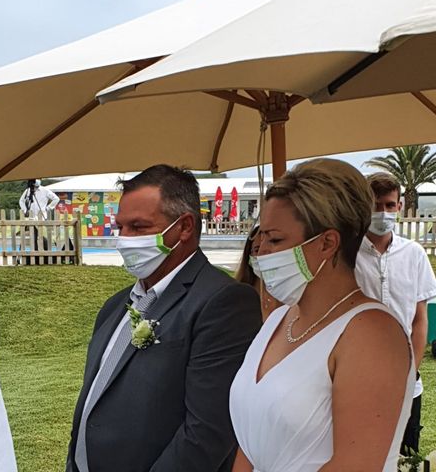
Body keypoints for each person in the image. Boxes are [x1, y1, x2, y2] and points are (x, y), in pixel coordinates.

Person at [67, 164, 262, 472]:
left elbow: (207, 432)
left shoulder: (222, 302)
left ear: (184, 227)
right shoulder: (115, 306)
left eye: (138, 227)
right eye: (120, 227)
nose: (123, 240)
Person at [230, 158, 414, 472]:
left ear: (327, 243)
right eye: (260, 239)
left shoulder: (371, 335)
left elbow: (355, 464)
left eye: (275, 240)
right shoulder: (278, 320)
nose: (260, 253)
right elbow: (250, 445)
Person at [354, 172, 436, 455]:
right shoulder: (348, 256)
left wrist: (410, 372)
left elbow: (419, 319)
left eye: (389, 205)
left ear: (399, 206)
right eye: (376, 205)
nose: (383, 212)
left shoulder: (414, 254)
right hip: (357, 378)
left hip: (406, 382)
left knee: (405, 453)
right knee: (363, 452)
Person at [235, 224, 281, 321]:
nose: (262, 254)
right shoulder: (239, 295)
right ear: (249, 256)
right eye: (256, 249)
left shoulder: (291, 294)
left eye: (270, 249)